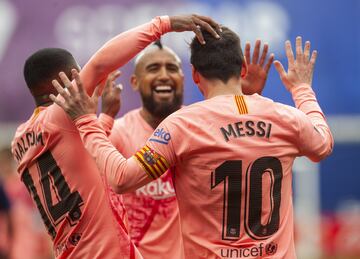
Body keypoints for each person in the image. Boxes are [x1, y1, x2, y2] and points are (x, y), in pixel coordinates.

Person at [51, 28, 333, 258]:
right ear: (243, 68)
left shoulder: (181, 126)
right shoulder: (285, 117)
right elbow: (323, 145)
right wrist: (302, 89)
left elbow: (122, 178)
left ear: (194, 75)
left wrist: (87, 121)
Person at [11, 14, 221, 258]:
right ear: (68, 80)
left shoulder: (20, 139)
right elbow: (101, 63)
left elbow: (75, 165)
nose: (88, 81)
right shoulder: (60, 118)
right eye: (81, 74)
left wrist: (105, 119)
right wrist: (164, 24)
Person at [100, 37, 274, 258]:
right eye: (153, 68)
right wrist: (103, 118)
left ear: (185, 78)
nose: (164, 75)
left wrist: (244, 99)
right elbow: (87, 181)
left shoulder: (200, 125)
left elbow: (245, 151)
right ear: (134, 81)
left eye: (172, 68)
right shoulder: (118, 132)